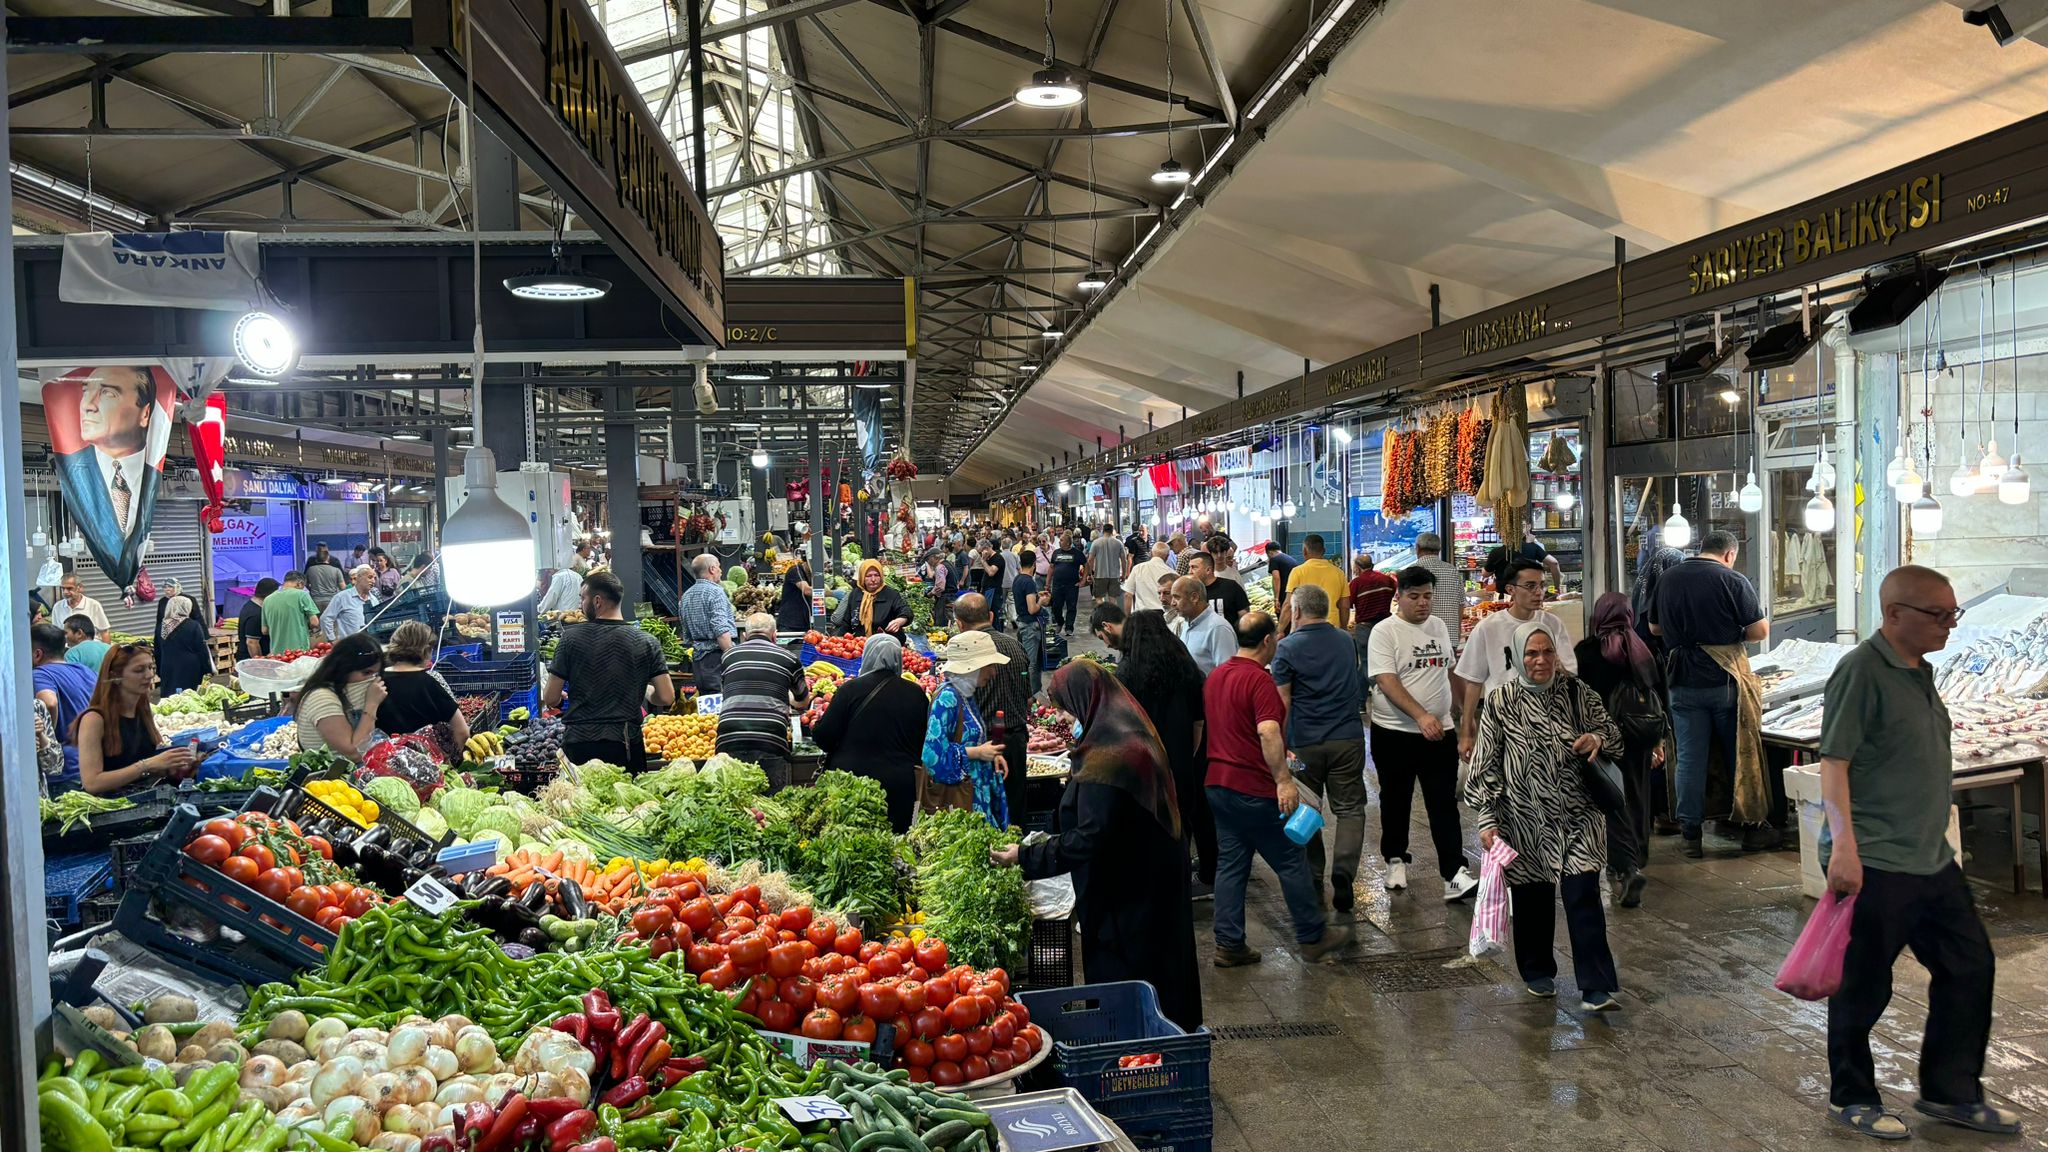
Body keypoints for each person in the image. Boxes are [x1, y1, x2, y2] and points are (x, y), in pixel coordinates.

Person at [1817, 566, 2018, 1140]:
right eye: (1938, 614)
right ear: (1894, 614)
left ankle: (1950, 1092)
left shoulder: (1920, 671)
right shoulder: (1861, 671)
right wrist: (1844, 849)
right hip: (1877, 859)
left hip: (1932, 858)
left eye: (1953, 612)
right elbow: (1834, 765)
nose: (1949, 624)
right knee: (1863, 984)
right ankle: (1851, 1095)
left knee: (1969, 965)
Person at [991, 661, 1204, 1030]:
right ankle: (1163, 1035)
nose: (1063, 715)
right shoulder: (1127, 730)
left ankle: (1144, 1047)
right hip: (1151, 876)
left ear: (1085, 700)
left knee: (1134, 977)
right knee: (1163, 966)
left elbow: (1091, 835)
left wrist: (1025, 856)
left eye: (1064, 707)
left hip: (1130, 891)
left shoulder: (1110, 758)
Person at [1462, 620, 1623, 1012]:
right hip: (1522, 818)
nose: (1541, 660)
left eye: (1547, 652)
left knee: (1583, 895)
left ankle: (1596, 986)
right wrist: (1487, 818)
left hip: (1578, 816)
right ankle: (1537, 971)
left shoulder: (1577, 692)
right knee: (1532, 899)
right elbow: (1486, 765)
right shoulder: (1501, 701)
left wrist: (1597, 739)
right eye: (1531, 653)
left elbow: (1614, 735)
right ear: (1517, 657)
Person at [1205, 611, 1352, 967]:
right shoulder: (1259, 681)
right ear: (1268, 641)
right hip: (1253, 789)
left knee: (1231, 864)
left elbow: (1232, 727)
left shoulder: (1216, 677)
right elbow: (1267, 731)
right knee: (1291, 861)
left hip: (1218, 784)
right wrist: (1283, 780)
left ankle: (1228, 943)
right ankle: (1313, 937)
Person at [1649, 530, 1771, 857]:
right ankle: (1750, 827)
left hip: (1681, 682)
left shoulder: (1669, 578)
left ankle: (1691, 834)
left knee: (1689, 757)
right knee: (1739, 752)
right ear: (1729, 554)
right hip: (1723, 682)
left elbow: (1655, 629)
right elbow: (1760, 631)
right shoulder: (1732, 580)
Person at [1370, 566, 1478, 901]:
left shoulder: (1440, 627)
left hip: (1440, 732)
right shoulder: (1384, 632)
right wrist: (1419, 715)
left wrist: (1465, 718)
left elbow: (1450, 671)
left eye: (1427, 596)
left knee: (1443, 802)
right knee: (1395, 799)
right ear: (1398, 597)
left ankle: (1454, 873)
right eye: (1414, 596)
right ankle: (1395, 859)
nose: (1422, 603)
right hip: (1394, 733)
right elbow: (1387, 681)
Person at [1270, 582, 1369, 910]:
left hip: (1305, 744)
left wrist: (1281, 748)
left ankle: (1313, 877)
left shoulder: (1286, 648)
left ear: (1296, 611)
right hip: (1348, 738)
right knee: (1351, 809)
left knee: (1305, 809)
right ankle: (1343, 871)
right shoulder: (1346, 640)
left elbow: (1282, 703)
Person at [1573, 592, 1666, 909]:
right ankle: (1636, 855)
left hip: (1601, 739)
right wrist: (1659, 742)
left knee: (1612, 800)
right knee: (1639, 795)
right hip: (1641, 738)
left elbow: (1579, 698)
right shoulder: (1643, 649)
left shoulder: (1587, 652)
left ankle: (1626, 866)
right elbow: (1660, 696)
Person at [1118, 610, 1214, 895]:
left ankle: (1153, 885)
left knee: (1148, 827)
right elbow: (1199, 719)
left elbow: (1120, 722)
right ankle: (1180, 884)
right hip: (1181, 760)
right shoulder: (1185, 666)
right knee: (1181, 825)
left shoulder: (1127, 671)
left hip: (1143, 763)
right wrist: (1188, 753)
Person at [545, 570, 676, 768]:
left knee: (582, 798)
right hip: (625, 743)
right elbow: (666, 697)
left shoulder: (571, 639)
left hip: (580, 743)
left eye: (582, 598)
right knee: (628, 797)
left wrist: (563, 694)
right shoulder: (646, 641)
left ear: (597, 601)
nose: (580, 604)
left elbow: (550, 698)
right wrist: (648, 692)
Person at [1455, 558, 1578, 760]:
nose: (1539, 592)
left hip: (1547, 719)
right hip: (1503, 720)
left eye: (1541, 585)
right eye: (1530, 586)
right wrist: (1467, 731)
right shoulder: (1489, 627)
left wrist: (1556, 665)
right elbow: (1473, 681)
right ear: (1511, 589)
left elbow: (1570, 674)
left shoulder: (1552, 624)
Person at [813, 634, 928, 831]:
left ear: (866, 655)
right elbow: (922, 742)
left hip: (851, 785)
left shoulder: (850, 689)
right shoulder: (916, 693)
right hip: (900, 786)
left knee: (852, 842)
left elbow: (823, 737)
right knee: (896, 847)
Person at [54, 366, 159, 576]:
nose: (88, 405)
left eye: (107, 393)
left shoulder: (155, 472)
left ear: (145, 413)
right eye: (86, 391)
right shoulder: (70, 470)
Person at [952, 593, 1031, 825]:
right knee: (1015, 813)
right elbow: (1028, 698)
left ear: (959, 624)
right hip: (1015, 741)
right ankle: (1018, 856)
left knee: (985, 815)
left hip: (982, 746)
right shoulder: (1015, 646)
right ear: (991, 616)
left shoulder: (967, 655)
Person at [76, 644, 196, 795]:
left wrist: (174, 767)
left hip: (146, 800)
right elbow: (92, 783)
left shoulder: (143, 711)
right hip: (113, 809)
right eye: (139, 670)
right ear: (115, 677)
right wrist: (146, 766)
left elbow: (150, 766)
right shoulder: (94, 719)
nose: (149, 675)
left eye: (151, 668)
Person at [922, 630, 1011, 828]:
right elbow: (932, 756)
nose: (993, 672)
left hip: (976, 793)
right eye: (989, 666)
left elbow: (965, 739)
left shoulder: (966, 695)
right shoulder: (948, 699)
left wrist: (990, 754)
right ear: (972, 667)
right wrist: (978, 753)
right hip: (962, 801)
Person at [714, 613, 811, 790]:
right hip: (770, 739)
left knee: (732, 802)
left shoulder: (728, 656)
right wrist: (786, 699)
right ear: (774, 636)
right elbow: (803, 702)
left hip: (729, 737)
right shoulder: (789, 658)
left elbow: (727, 693)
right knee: (771, 804)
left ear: (744, 636)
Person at [379, 620, 470, 753]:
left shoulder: (376, 682)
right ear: (426, 650)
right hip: (429, 766)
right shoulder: (431, 682)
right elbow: (462, 732)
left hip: (385, 766)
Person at [293, 633, 388, 761]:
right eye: (366, 673)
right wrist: (371, 705)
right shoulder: (322, 700)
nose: (372, 679)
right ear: (344, 669)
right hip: (333, 777)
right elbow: (354, 753)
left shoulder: (341, 691)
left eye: (376, 673)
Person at [31, 623, 102, 793]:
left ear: (37, 654)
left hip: (65, 771)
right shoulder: (85, 670)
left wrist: (49, 737)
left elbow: (49, 702)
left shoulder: (40, 674)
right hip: (93, 762)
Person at [679, 554, 737, 693]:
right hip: (717, 657)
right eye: (718, 566)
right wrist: (732, 657)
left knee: (706, 704)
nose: (721, 570)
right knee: (721, 701)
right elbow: (720, 630)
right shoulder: (715, 592)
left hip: (698, 659)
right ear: (712, 569)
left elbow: (686, 634)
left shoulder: (686, 596)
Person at [1277, 534, 1349, 635]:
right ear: (1324, 550)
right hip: (1332, 628)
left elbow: (1288, 605)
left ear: (1304, 551)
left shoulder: (1297, 572)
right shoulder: (1339, 573)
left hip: (1304, 630)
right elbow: (1344, 606)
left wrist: (1279, 630)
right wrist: (1344, 628)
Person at [1169, 577, 1236, 677]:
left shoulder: (1218, 628)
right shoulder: (1187, 623)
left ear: (1194, 597)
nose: (1172, 603)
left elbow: (1228, 675)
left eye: (1177, 597)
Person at [154, 586, 213, 695]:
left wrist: (159, 670)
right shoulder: (193, 625)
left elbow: (157, 651)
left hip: (168, 667)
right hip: (190, 668)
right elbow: (201, 649)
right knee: (189, 696)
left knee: (170, 698)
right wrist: (207, 669)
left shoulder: (161, 627)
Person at [1411, 532, 1466, 647]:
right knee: (1448, 665)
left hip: (1419, 640)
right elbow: (1461, 603)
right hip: (1448, 636)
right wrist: (1458, 629)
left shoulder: (1411, 572)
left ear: (1417, 548)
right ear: (1439, 549)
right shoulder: (1452, 570)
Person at [836, 558, 912, 637]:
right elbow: (846, 623)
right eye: (868, 576)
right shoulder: (855, 594)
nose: (873, 579)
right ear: (862, 577)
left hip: (886, 643)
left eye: (876, 575)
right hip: (860, 644)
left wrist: (900, 620)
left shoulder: (891, 594)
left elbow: (905, 610)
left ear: (881, 576)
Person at [1012, 549, 1048, 697]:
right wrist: (1042, 601)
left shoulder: (1018, 579)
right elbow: (1032, 609)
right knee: (1032, 663)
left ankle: (1035, 691)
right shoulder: (1029, 582)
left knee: (1032, 661)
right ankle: (1031, 695)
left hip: (1022, 623)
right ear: (1034, 564)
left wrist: (1035, 596)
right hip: (1030, 627)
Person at [1485, 527, 1561, 596]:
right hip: (1529, 594)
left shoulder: (1496, 552)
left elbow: (1485, 574)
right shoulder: (1533, 547)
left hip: (1504, 596)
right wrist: (1557, 587)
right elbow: (1554, 563)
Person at [263, 571, 321, 657]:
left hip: (276, 653)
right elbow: (314, 622)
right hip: (298, 651)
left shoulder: (267, 599)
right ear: (300, 584)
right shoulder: (302, 595)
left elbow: (265, 630)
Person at [320, 565, 376, 640]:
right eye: (370, 577)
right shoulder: (342, 597)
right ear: (359, 578)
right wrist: (331, 639)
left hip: (370, 645)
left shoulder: (374, 600)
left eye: (374, 578)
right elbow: (326, 618)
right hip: (348, 645)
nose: (373, 581)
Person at [1047, 531, 1085, 637]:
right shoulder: (1056, 553)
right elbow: (1051, 568)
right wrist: (1047, 583)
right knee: (1056, 606)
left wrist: (1083, 580)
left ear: (1068, 543)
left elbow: (1086, 565)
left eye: (1062, 540)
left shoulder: (1077, 553)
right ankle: (1060, 622)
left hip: (1072, 585)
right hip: (1057, 585)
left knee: (1071, 606)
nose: (1060, 542)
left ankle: (1069, 627)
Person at [1123, 542, 1175, 614]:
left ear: (1151, 553)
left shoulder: (1138, 568)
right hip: (1164, 616)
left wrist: (1128, 618)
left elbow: (1128, 595)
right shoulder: (1173, 574)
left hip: (1141, 615)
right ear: (1167, 556)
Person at [1086, 526, 1129, 609]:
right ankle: (1112, 617)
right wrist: (1124, 574)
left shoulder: (1096, 542)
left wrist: (1089, 574)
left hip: (1099, 575)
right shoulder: (1118, 543)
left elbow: (1090, 559)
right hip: (1114, 575)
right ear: (1112, 531)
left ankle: (1103, 613)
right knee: (1113, 599)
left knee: (1098, 597)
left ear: (1103, 531)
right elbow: (1124, 560)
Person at [235, 579, 276, 660]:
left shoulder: (250, 605)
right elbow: (251, 642)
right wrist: (260, 664)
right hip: (249, 660)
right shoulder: (256, 614)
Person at [776, 552, 814, 634]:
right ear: (807, 562)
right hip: (789, 624)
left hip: (804, 622)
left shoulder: (810, 575)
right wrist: (832, 593)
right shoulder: (795, 571)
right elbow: (806, 590)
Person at [305, 544, 346, 609]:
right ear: (328, 558)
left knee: (316, 619)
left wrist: (312, 589)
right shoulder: (336, 570)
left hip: (315, 601)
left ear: (316, 559)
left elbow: (305, 584)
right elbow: (343, 587)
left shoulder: (310, 570)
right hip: (331, 601)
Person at [1263, 542, 1298, 607]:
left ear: (1270, 552)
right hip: (1294, 594)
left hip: (1284, 595)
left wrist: (1276, 599)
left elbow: (1276, 578)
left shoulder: (1274, 559)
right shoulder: (1291, 559)